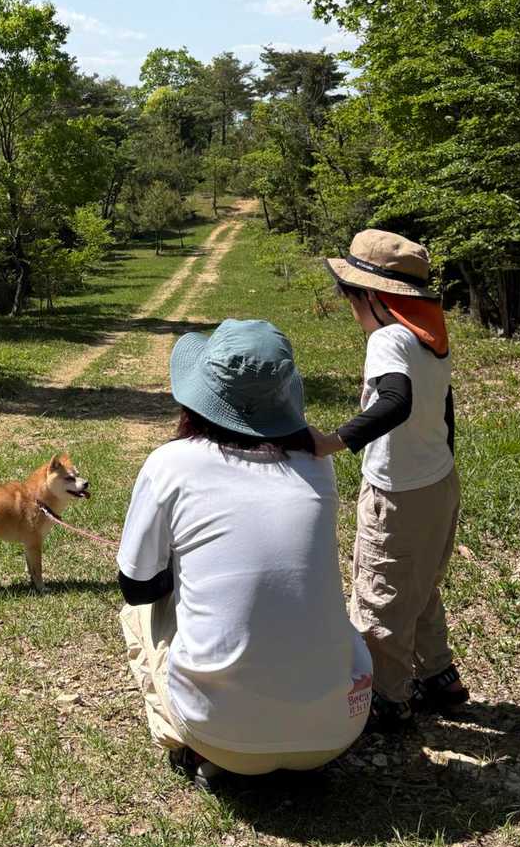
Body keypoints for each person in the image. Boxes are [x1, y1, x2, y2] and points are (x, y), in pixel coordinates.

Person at [117, 318, 372, 788]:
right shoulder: (318, 466)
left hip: (221, 736)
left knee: (139, 615)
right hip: (336, 731)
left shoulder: (170, 464)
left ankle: (194, 743)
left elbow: (136, 587)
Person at [309, 229, 468, 730]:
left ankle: (387, 698)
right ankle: (438, 675)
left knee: (380, 594)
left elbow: (396, 401)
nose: (351, 308)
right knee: (421, 586)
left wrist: (332, 441)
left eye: (352, 297)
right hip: (439, 484)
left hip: (396, 493)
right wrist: (441, 458)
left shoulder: (387, 338)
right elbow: (443, 405)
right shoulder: (429, 334)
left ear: (374, 297)